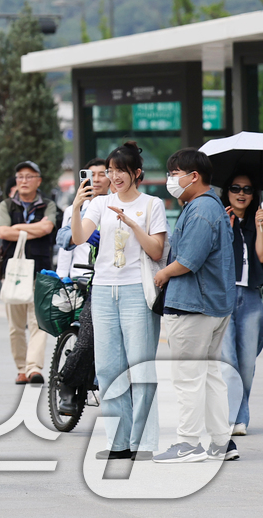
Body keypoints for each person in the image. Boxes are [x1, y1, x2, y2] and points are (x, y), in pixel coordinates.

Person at [71, 142, 167, 460]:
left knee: (139, 367)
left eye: (120, 171)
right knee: (110, 368)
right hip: (102, 292)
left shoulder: (152, 204)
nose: (114, 177)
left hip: (136, 292)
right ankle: (118, 442)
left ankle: (144, 442)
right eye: (110, 171)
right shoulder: (100, 203)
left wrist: (132, 224)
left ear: (136, 173)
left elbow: (156, 251)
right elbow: (79, 237)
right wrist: (76, 208)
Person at [152, 149, 237, 463]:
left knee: (188, 377)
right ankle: (220, 442)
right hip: (213, 306)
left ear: (193, 176)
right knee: (210, 373)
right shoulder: (210, 205)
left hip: (193, 305)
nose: (172, 179)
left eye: (175, 173)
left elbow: (188, 261)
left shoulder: (200, 209)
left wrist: (162, 274)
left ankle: (188, 444)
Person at [0, 160, 59, 385]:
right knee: (15, 326)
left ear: (38, 181)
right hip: (12, 273)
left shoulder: (49, 205)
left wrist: (18, 229)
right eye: (20, 176)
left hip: (40, 272)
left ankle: (34, 368)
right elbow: (3, 232)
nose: (23, 181)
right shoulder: (7, 205)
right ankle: (21, 368)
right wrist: (31, 230)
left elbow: (47, 228)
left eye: (29, 176)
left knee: (38, 323)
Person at [55, 158, 108, 415]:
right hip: (83, 278)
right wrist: (61, 277)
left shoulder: (117, 204)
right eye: (92, 174)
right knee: (87, 340)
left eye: (102, 174)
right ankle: (67, 382)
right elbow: (64, 240)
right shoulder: (78, 206)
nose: (96, 179)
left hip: (116, 280)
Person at [222, 172, 263, 440]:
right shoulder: (220, 219)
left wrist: (260, 228)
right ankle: (238, 416)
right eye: (235, 188)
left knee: (247, 362)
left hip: (251, 297)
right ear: (227, 191)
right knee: (228, 360)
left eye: (247, 189)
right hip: (223, 296)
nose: (241, 193)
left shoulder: (258, 220)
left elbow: (261, 257)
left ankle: (239, 412)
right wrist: (224, 227)